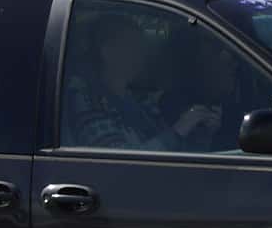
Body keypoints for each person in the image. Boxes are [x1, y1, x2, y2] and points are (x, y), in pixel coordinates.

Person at [64, 12, 219, 151]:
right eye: (133, 46)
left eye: (142, 47)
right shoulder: (89, 102)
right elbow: (118, 164)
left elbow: (175, 154)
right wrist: (180, 129)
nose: (142, 54)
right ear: (108, 52)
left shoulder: (141, 102)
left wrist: (202, 135)